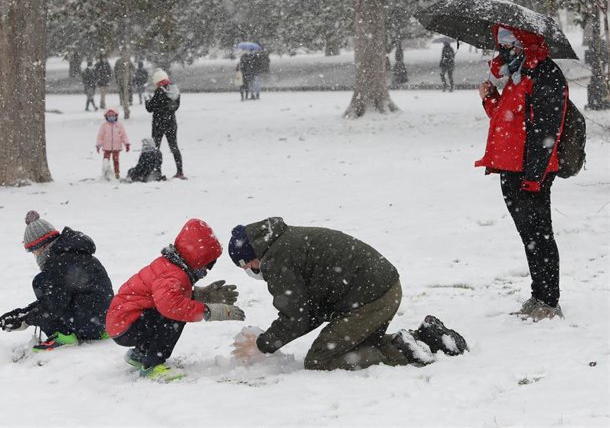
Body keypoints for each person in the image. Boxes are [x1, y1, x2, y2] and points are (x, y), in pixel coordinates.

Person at [228, 217, 468, 371]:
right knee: (356, 344)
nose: (250, 271)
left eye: (247, 266)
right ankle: (426, 339)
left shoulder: (277, 260)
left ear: (252, 255)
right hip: (382, 288)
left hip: (372, 298)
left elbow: (296, 316)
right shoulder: (284, 241)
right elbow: (309, 311)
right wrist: (270, 341)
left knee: (320, 359)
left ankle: (407, 351)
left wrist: (262, 344)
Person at [476, 25, 568, 322]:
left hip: (533, 171)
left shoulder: (545, 74)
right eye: (502, 46)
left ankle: (550, 301)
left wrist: (534, 175)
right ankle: (537, 294)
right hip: (509, 168)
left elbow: (547, 129)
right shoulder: (517, 76)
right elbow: (506, 122)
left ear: (525, 44)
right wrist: (490, 98)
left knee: (540, 235)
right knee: (527, 234)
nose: (505, 51)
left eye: (511, 45)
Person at [106, 218, 244, 380]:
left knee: (174, 310)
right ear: (197, 260)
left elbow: (163, 297)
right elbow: (171, 306)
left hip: (123, 322)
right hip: (127, 326)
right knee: (175, 315)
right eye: (207, 265)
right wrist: (209, 311)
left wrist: (201, 295)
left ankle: (140, 353)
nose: (206, 271)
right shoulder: (174, 274)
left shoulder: (171, 266)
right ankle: (152, 364)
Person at [0, 210, 114, 350]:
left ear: (41, 247)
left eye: (33, 251)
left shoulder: (58, 264)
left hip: (89, 325)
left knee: (40, 281)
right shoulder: (72, 254)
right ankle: (94, 331)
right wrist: (24, 312)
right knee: (47, 286)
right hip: (104, 322)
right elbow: (57, 297)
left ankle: (64, 336)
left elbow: (53, 306)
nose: (35, 256)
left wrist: (26, 319)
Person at [145, 69, 185, 179]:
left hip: (159, 123)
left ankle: (157, 171)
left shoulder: (159, 92)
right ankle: (180, 171)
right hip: (171, 122)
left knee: (156, 148)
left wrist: (147, 101)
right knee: (174, 147)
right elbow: (175, 107)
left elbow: (150, 108)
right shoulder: (175, 91)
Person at [96, 108, 130, 180]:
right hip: (106, 147)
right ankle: (106, 173)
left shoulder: (119, 125)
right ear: (106, 117)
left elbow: (123, 135)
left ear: (116, 116)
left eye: (113, 116)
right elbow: (100, 136)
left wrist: (126, 143)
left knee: (116, 161)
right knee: (106, 161)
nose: (111, 118)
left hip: (116, 147)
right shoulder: (104, 126)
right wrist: (98, 145)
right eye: (109, 116)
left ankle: (117, 174)